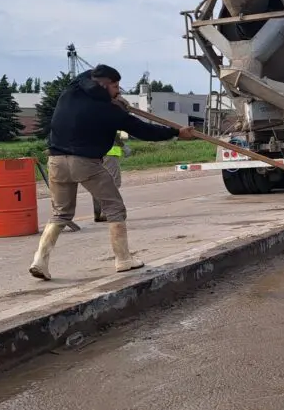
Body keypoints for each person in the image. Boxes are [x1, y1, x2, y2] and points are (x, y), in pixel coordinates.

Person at [29, 65, 195, 280]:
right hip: (86, 163)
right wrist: (177, 132)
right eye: (115, 86)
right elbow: (144, 130)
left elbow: (86, 76)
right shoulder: (109, 111)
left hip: (56, 160)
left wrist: (112, 98)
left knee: (61, 213)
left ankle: (40, 261)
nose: (119, 91)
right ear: (103, 84)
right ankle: (123, 259)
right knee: (115, 208)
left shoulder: (70, 91)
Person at [92, 130, 129, 222]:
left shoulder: (87, 117)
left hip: (92, 153)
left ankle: (98, 212)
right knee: (112, 182)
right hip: (109, 152)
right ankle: (107, 212)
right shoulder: (107, 115)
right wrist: (123, 146)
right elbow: (112, 131)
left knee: (98, 182)